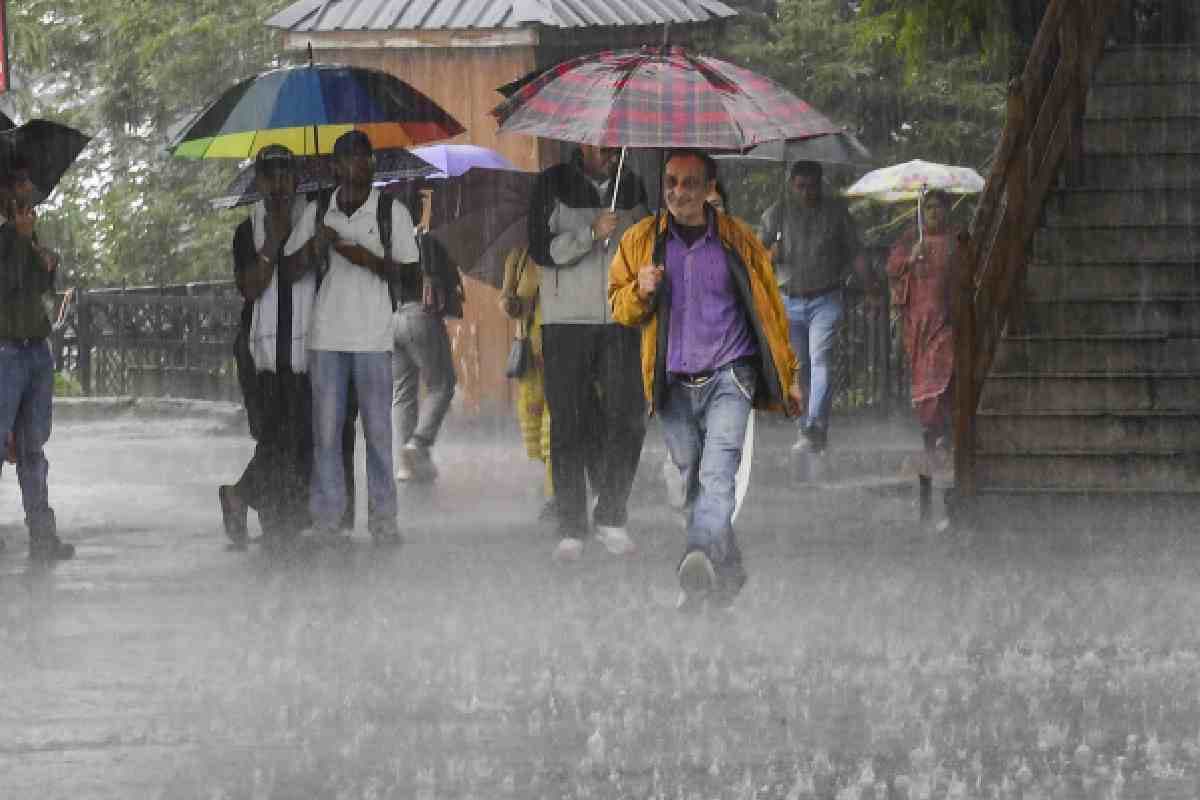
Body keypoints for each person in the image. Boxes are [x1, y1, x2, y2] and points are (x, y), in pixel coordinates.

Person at [609, 149, 802, 611]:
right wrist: (641, 289)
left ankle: (696, 552)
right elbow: (618, 306)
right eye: (671, 182)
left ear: (710, 187)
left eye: (690, 183)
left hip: (730, 376)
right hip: (673, 384)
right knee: (692, 482)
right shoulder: (640, 242)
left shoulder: (739, 240)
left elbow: (772, 311)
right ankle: (726, 570)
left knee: (718, 475)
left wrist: (789, 376)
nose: (679, 192)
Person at [528, 145, 650, 561]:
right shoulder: (550, 184)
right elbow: (540, 250)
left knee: (630, 415)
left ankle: (611, 514)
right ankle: (571, 526)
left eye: (617, 145)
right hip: (566, 320)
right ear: (582, 142)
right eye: (604, 144)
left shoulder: (630, 185)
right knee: (568, 422)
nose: (612, 152)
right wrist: (590, 234)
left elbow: (648, 246)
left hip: (619, 318)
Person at [305, 130, 418, 544]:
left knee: (377, 433)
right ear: (335, 166)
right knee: (327, 434)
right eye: (350, 158)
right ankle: (329, 520)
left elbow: (410, 277)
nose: (360, 165)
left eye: (366, 158)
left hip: (373, 337)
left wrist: (363, 256)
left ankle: (384, 520)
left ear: (373, 164)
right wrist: (314, 247)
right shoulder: (317, 209)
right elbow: (295, 270)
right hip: (326, 336)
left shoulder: (392, 212)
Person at [219, 145, 319, 548]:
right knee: (275, 435)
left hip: (304, 346)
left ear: (297, 180)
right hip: (259, 352)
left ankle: (272, 511)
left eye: (285, 174)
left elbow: (312, 273)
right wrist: (273, 241)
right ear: (257, 182)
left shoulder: (314, 220)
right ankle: (246, 498)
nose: (278, 184)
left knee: (300, 434)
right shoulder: (248, 230)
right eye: (269, 175)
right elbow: (251, 287)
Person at [760, 160, 879, 454]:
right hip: (789, 298)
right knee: (799, 368)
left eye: (811, 186)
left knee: (821, 357)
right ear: (791, 184)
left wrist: (871, 289)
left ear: (820, 183)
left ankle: (815, 423)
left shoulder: (836, 214)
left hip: (826, 297)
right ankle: (807, 429)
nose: (806, 193)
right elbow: (756, 255)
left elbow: (857, 253)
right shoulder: (777, 213)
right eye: (800, 186)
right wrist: (769, 254)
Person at [0, 160, 74, 560]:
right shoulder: (7, 235)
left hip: (35, 349)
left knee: (33, 446)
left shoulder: (27, 231)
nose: (28, 190)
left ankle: (42, 535)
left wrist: (46, 263)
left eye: (29, 182)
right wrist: (17, 238)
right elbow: (6, 286)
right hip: (6, 351)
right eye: (20, 183)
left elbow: (36, 288)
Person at [885, 190, 960, 521]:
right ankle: (933, 445)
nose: (933, 213)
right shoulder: (910, 239)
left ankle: (944, 438)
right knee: (925, 397)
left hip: (944, 325)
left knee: (942, 376)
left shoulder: (956, 241)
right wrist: (908, 260)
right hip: (917, 327)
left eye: (938, 207)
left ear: (947, 210)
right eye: (927, 207)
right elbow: (890, 268)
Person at [392, 184, 458, 482]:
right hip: (420, 316)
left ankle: (407, 464)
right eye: (420, 200)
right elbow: (446, 282)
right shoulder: (424, 239)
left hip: (391, 318)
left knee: (403, 392)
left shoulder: (383, 240)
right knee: (442, 383)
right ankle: (418, 443)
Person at [499, 246, 554, 520]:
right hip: (532, 358)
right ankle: (558, 480)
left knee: (555, 427)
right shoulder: (518, 257)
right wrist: (510, 304)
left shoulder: (573, 250)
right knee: (536, 429)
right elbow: (506, 300)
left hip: (564, 353)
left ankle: (556, 494)